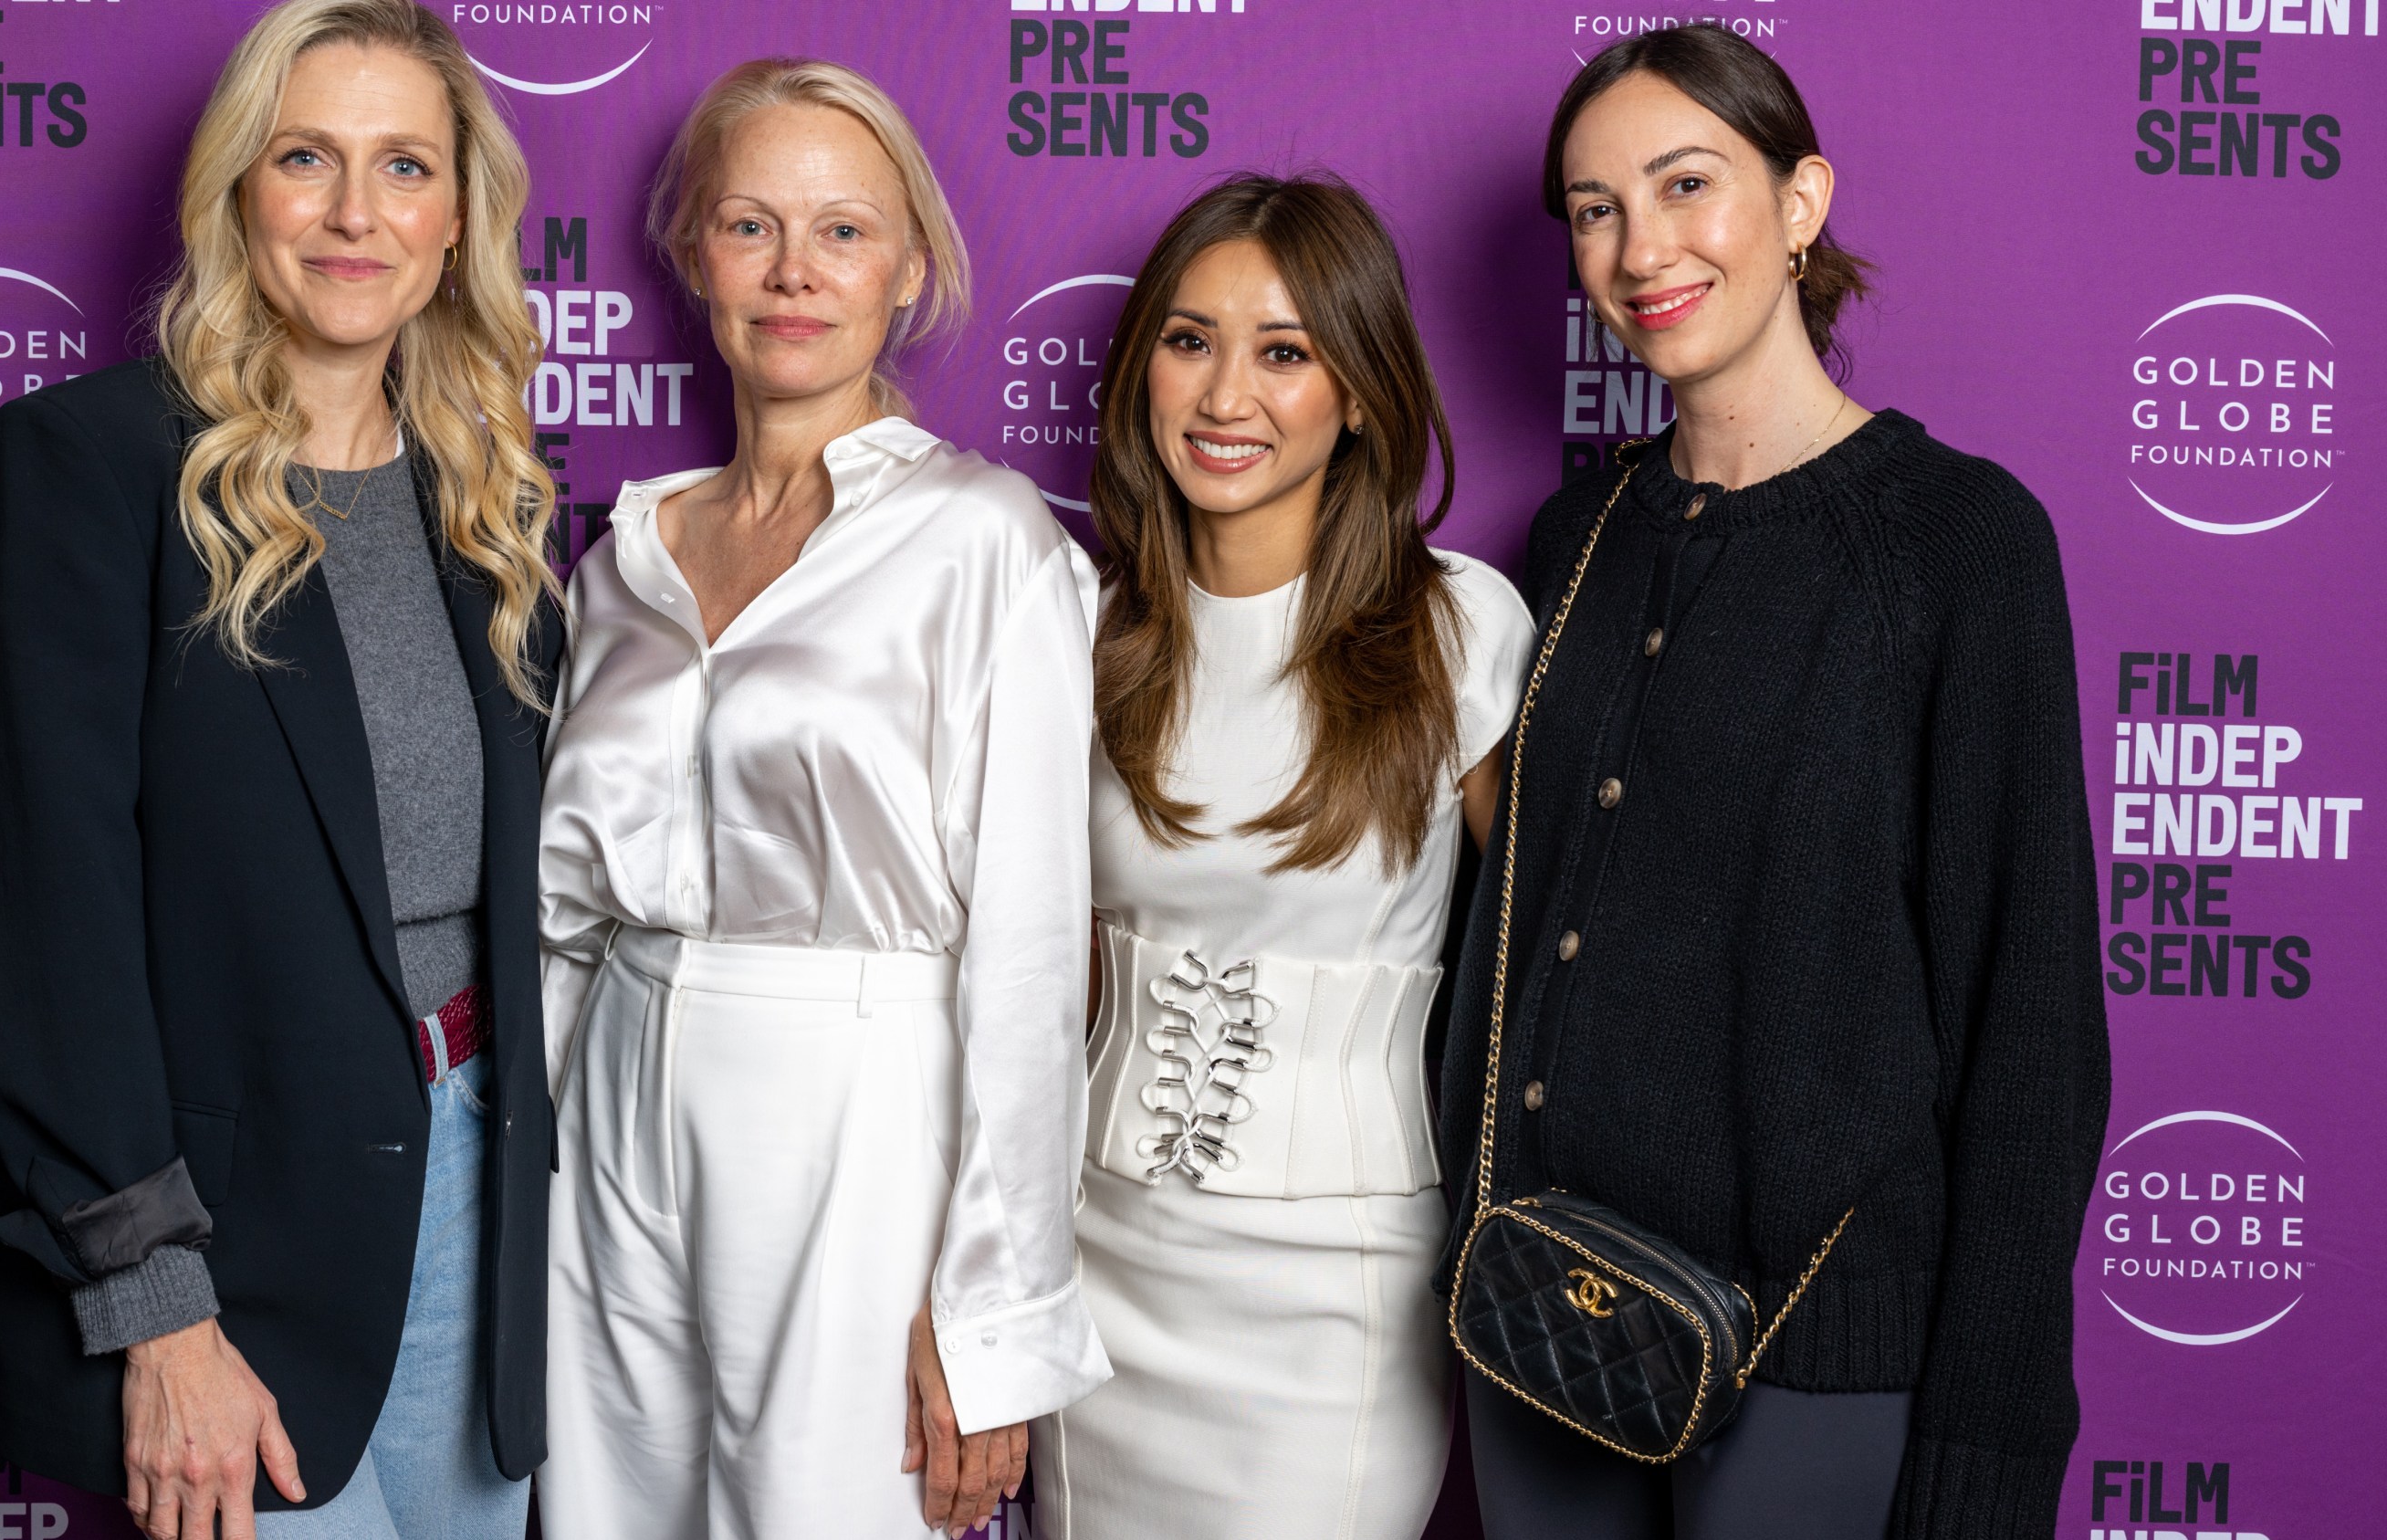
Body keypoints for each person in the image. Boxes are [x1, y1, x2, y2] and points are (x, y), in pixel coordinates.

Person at [1434, 25, 2110, 1540]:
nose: (1638, 248)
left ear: (1802, 202)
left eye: (1687, 185)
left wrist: (1989, 1454)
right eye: (1594, 208)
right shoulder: (1576, 538)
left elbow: (2034, 1032)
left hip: (1819, 1365)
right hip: (1547, 1326)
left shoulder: (1959, 544)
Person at [0, 4, 561, 1537]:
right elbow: (47, 930)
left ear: (457, 220)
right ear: (238, 193)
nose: (357, 214)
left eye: (405, 166)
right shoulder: (85, 466)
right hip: (231, 1248)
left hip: (481, 1199)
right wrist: (158, 1311)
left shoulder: (486, 501)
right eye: (308, 159)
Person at [533, 58, 1109, 1540]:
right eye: (750, 227)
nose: (795, 273)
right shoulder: (622, 561)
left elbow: (1036, 953)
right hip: (613, 1099)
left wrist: (991, 1321)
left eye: (843, 232)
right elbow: (563, 920)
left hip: (858, 1102)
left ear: (909, 267)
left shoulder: (987, 544)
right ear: (691, 255)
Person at [1024, 173, 1534, 1540]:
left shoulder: (1458, 629)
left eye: (1286, 351)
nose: (1225, 395)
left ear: (1360, 391)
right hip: (1098, 1261)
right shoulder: (1074, 629)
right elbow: (1031, 978)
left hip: (1339, 1291)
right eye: (1189, 341)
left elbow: (1563, 959)